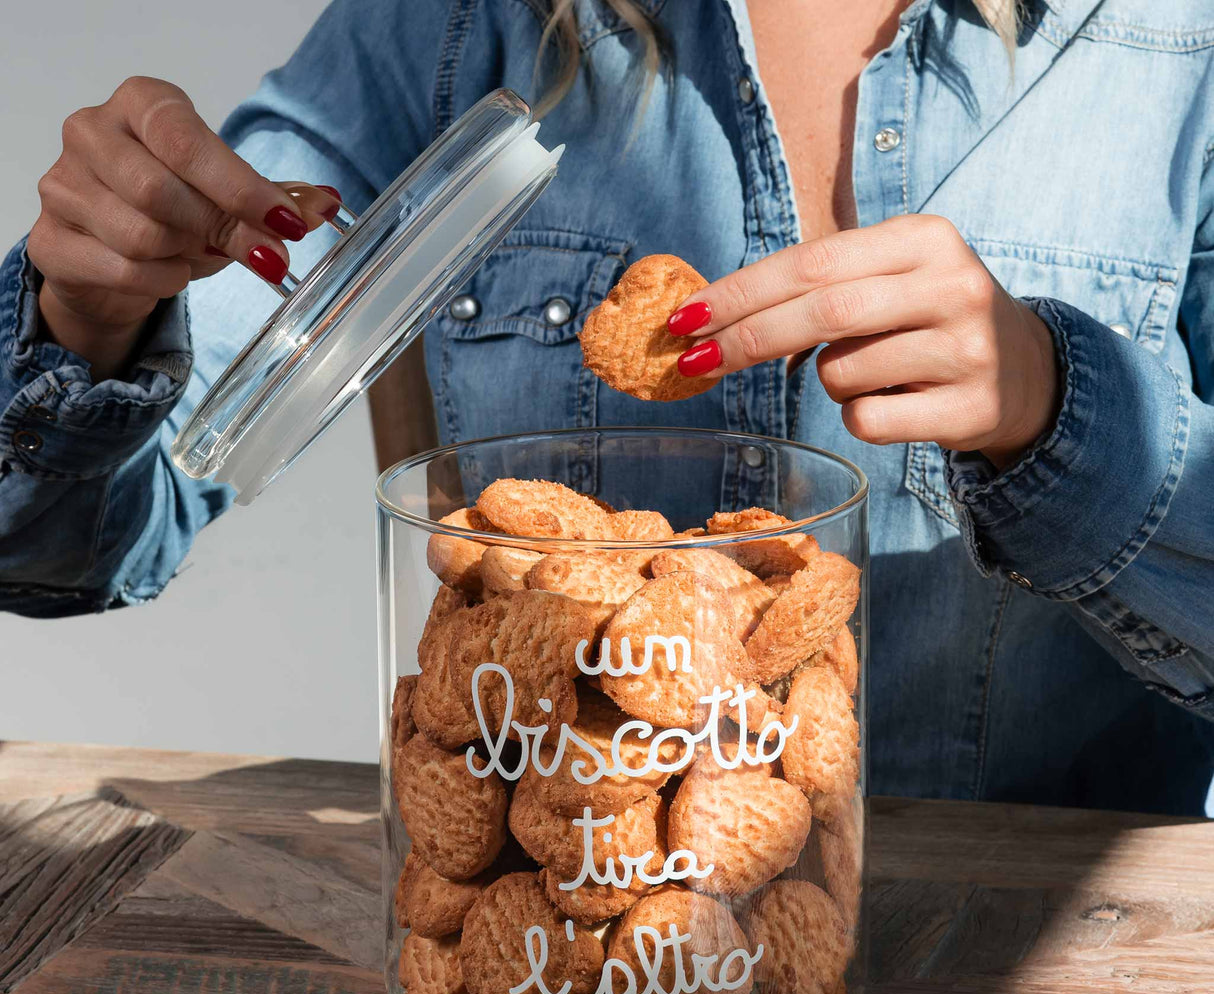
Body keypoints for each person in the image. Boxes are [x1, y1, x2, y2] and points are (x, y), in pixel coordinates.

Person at [1, 0, 1211, 813]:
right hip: (570, 943)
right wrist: (90, 317)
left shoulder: (1172, 44)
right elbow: (51, 549)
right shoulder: (457, 24)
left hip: (1024, 974)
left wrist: (1059, 413)